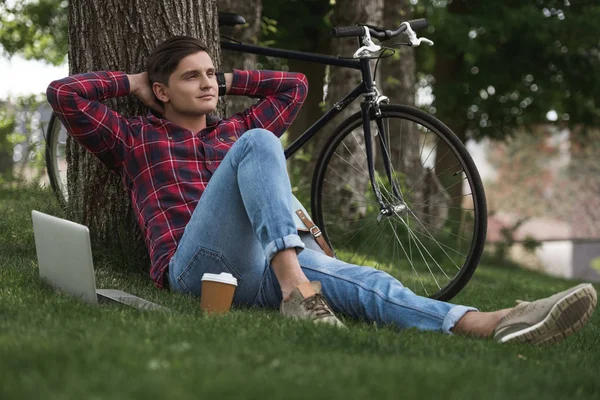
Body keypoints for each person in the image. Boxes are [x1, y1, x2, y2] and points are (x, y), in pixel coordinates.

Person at [47, 35, 597, 344]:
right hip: (197, 268)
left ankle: (490, 322)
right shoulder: (136, 137)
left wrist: (227, 82)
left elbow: (296, 85)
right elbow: (64, 94)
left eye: (212, 73)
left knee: (363, 278)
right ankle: (296, 288)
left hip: (261, 270)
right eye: (193, 77)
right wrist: (136, 84)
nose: (209, 82)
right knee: (261, 142)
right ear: (162, 92)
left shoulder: (232, 132)